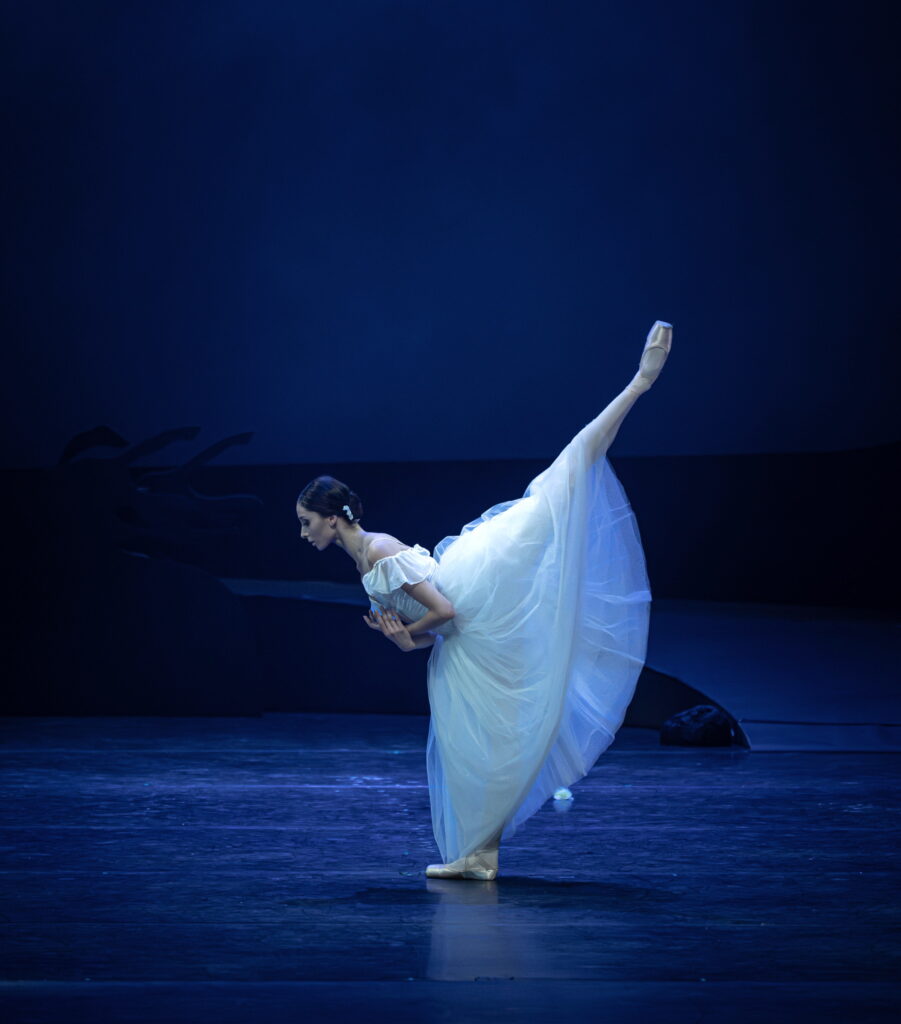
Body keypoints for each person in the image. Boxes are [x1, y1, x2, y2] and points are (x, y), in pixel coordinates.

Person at [296, 321, 673, 880]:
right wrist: (404, 638)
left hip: (478, 592)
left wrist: (413, 629)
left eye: (307, 523)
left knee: (559, 485)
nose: (304, 534)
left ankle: (640, 383)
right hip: (462, 638)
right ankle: (481, 853)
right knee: (480, 746)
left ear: (332, 518)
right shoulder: (364, 557)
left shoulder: (376, 551)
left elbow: (446, 611)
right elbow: (433, 628)